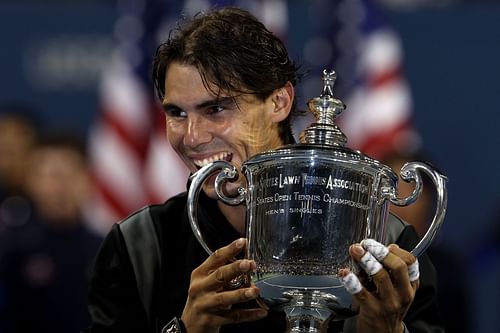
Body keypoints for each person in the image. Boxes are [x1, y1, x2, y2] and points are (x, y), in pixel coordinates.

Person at [85, 7, 443, 333]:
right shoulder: (139, 246)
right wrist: (187, 328)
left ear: (279, 102)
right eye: (176, 113)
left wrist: (386, 329)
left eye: (216, 109)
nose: (192, 137)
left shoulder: (387, 244)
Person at [0, 133, 103, 333]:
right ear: (29, 182)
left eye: (69, 174)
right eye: (48, 175)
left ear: (87, 179)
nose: (59, 186)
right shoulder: (9, 251)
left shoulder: (110, 250)